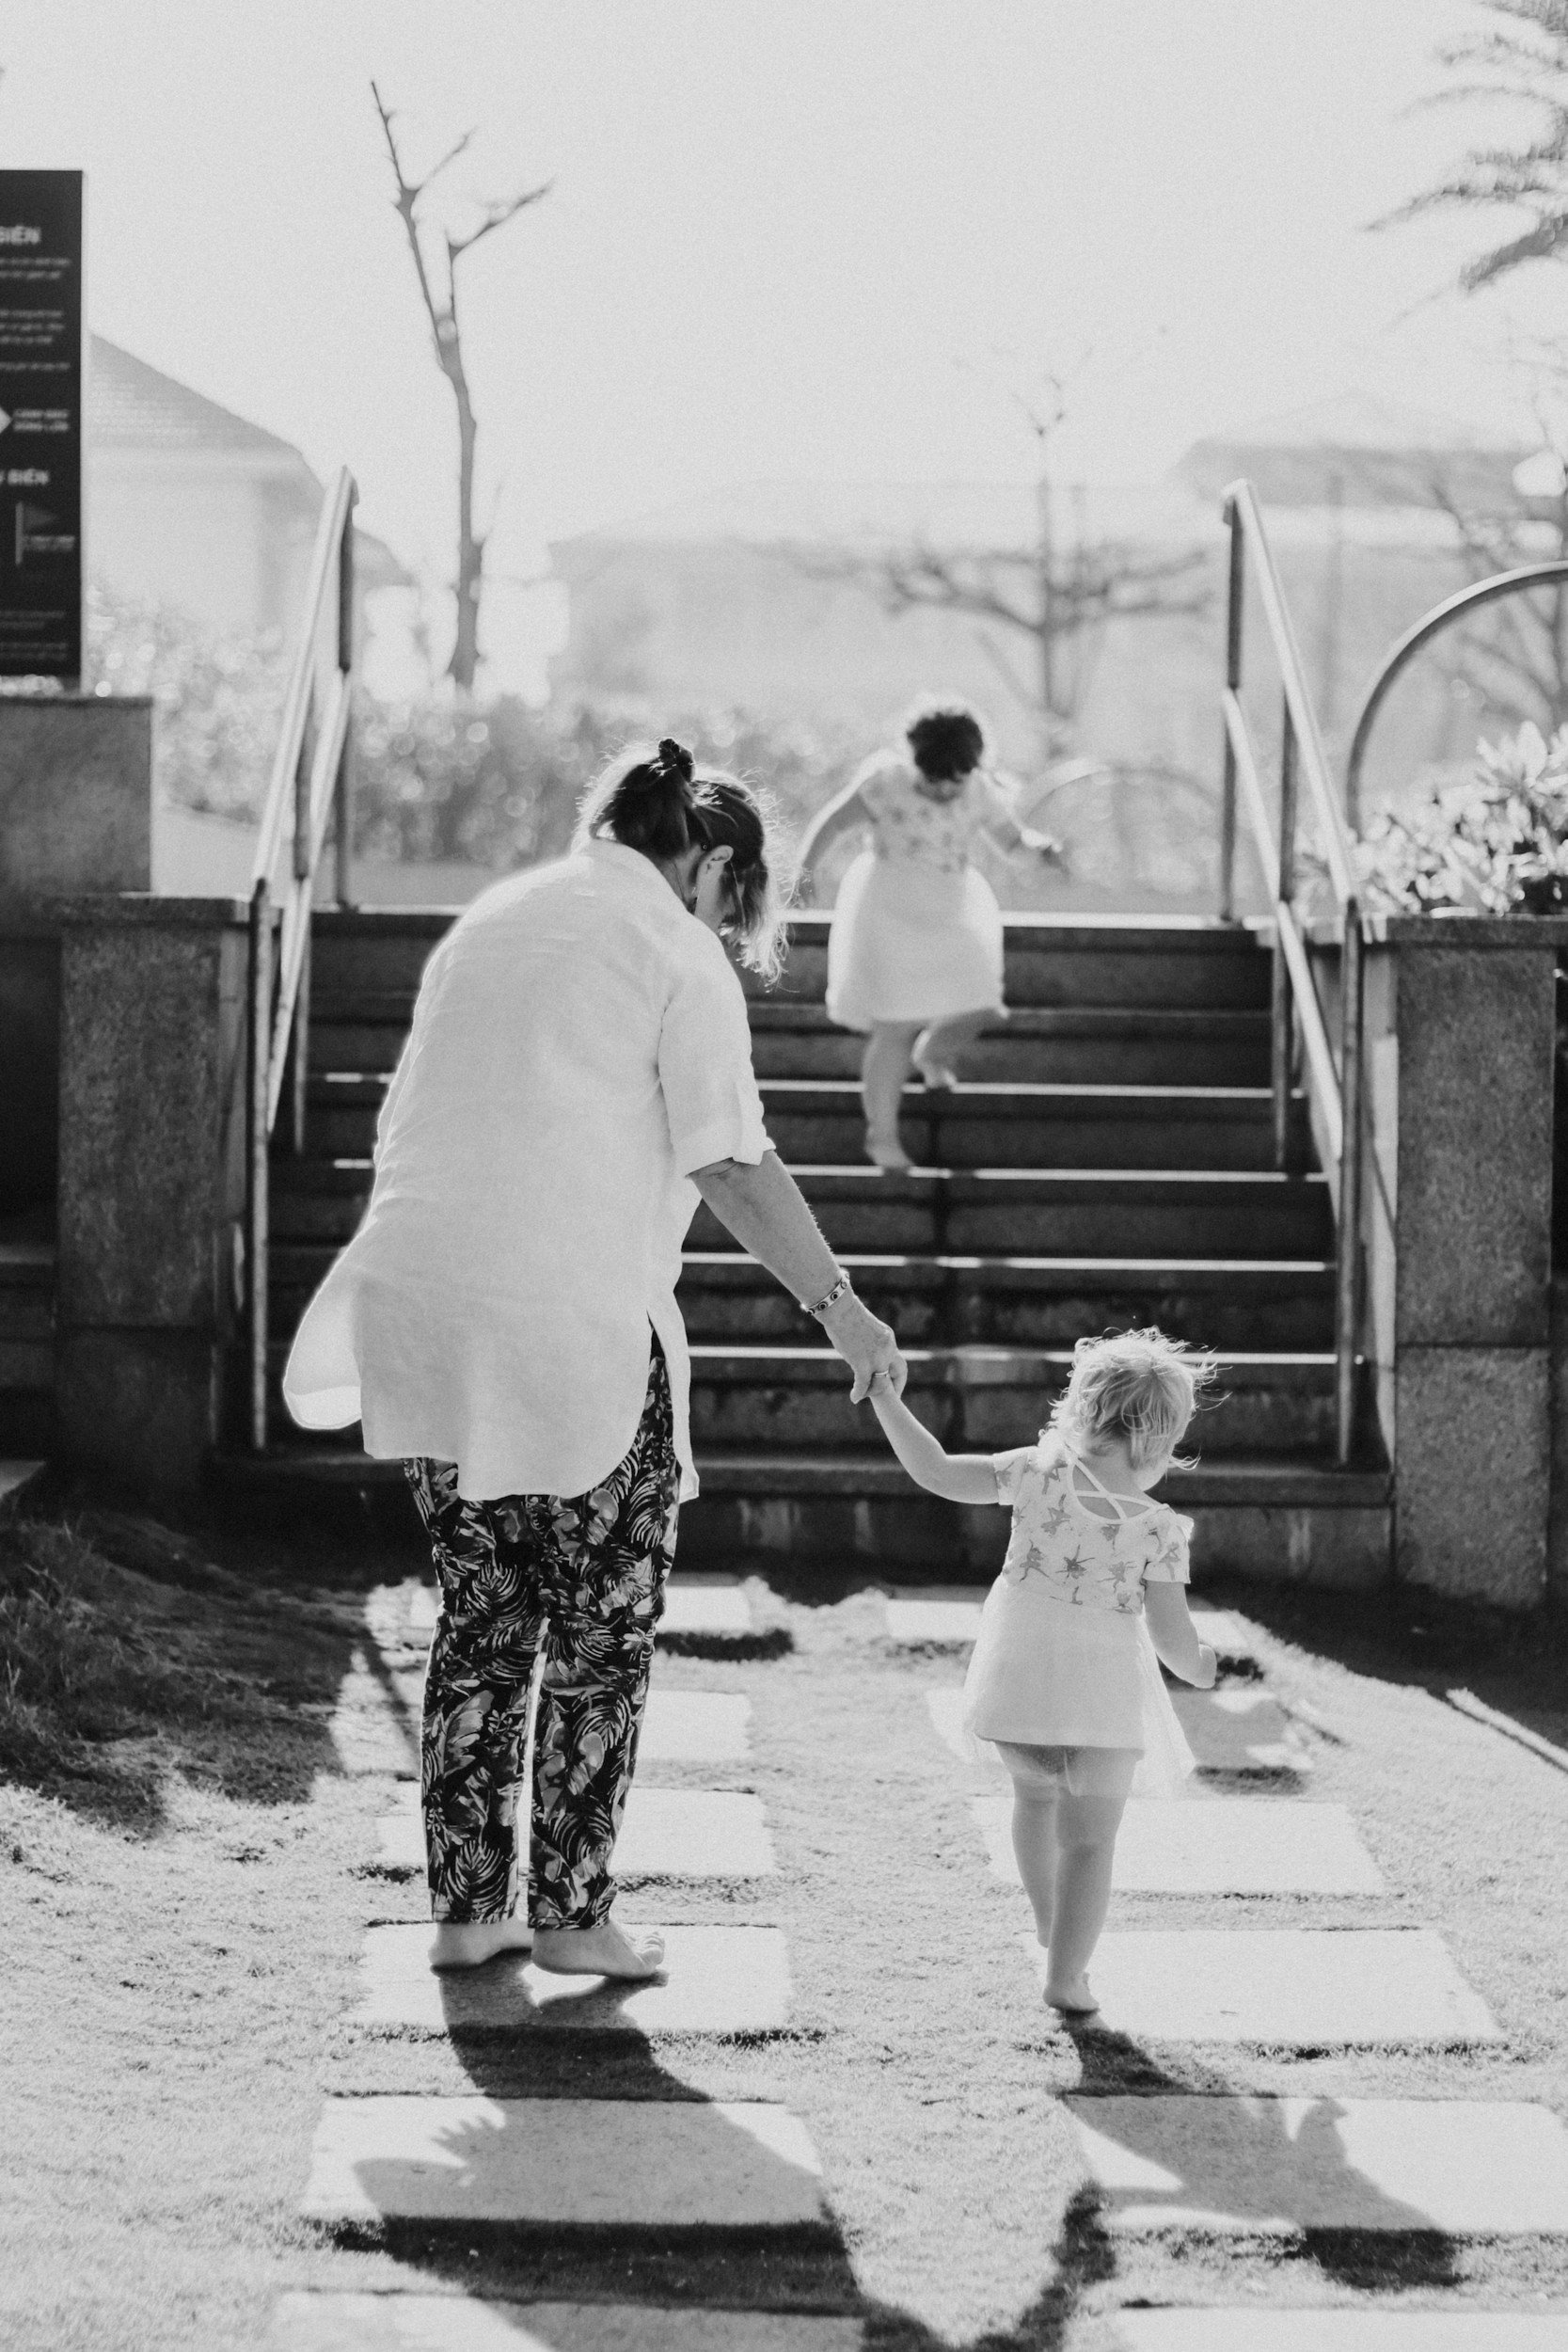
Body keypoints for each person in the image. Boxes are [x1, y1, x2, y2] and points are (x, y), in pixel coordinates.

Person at [285, 738, 907, 1981]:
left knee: (481, 1622)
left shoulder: (497, 916)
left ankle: (469, 1914)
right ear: (712, 867)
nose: (736, 933)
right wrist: (845, 1312)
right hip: (564, 1321)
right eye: (742, 906)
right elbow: (732, 1163)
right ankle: (572, 1919)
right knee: (598, 1637)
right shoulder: (672, 950)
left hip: (419, 1306)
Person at [867, 1327, 1217, 2019]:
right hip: (1100, 1701)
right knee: (1090, 1840)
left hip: (1019, 1680)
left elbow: (934, 1471)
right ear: (1160, 1438)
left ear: (1080, 1408)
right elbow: (1173, 1641)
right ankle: (1066, 1974)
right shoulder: (1156, 1527)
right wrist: (1203, 1669)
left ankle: (1045, 1922)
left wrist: (883, 1397)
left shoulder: (1035, 1471)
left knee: (1032, 1804)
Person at [796, 696, 1062, 1169]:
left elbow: (1012, 841)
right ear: (914, 762)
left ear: (973, 767)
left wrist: (1041, 849)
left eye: (953, 780)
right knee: (894, 1026)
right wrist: (807, 869)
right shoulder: (887, 783)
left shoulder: (978, 789)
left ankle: (934, 1053)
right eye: (932, 779)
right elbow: (834, 823)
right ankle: (883, 1134)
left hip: (950, 908)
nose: (942, 790)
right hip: (890, 910)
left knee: (981, 1003)